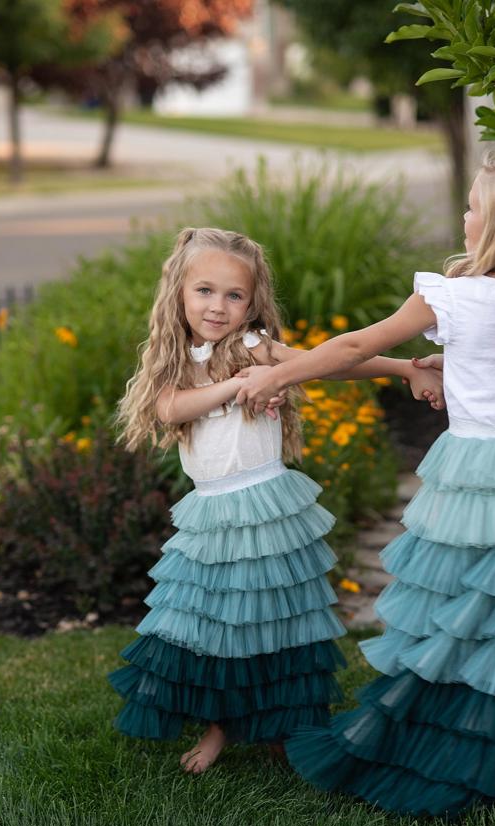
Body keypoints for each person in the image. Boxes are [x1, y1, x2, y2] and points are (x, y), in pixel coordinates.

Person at [236, 153, 495, 817]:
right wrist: (456, 363)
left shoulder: (457, 296)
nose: (464, 218)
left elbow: (354, 347)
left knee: (454, 618)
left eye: (473, 208)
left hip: (475, 481)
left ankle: (430, 750)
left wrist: (277, 375)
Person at [109, 226, 444, 774]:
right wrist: (244, 384)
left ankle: (280, 727)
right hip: (214, 514)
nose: (219, 306)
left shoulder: (254, 346)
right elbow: (169, 409)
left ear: (251, 302)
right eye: (205, 291)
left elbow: (334, 361)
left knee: (277, 621)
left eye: (234, 295)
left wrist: (405, 367)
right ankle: (220, 727)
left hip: (268, 506)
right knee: (220, 626)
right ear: (179, 292)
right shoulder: (175, 359)